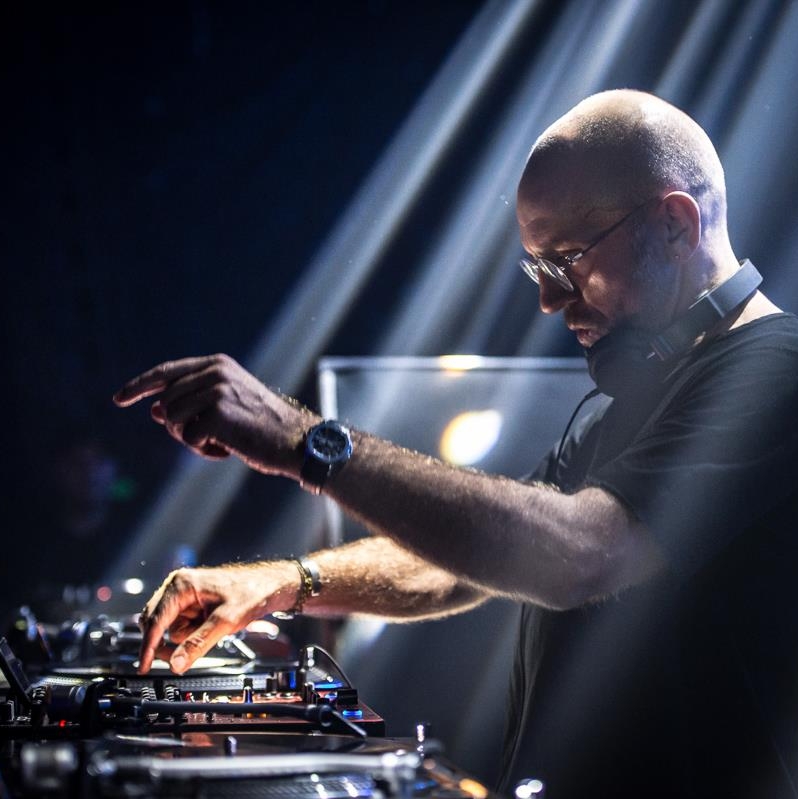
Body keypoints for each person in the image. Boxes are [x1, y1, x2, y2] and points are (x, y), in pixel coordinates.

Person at [114, 90, 798, 798]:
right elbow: (456, 567)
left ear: (675, 225)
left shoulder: (777, 372)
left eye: (566, 260)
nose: (549, 300)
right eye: (538, 271)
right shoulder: (634, 402)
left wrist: (303, 440)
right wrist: (285, 582)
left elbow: (581, 553)